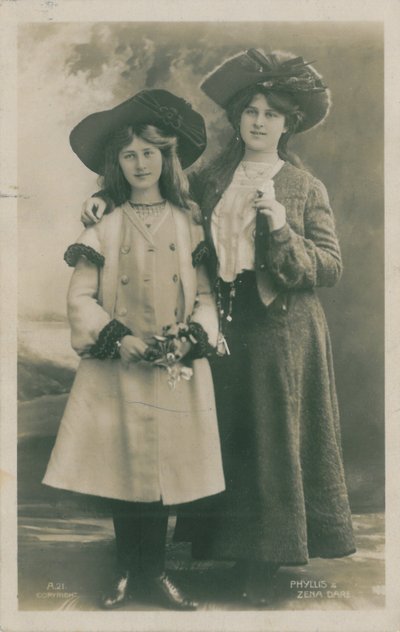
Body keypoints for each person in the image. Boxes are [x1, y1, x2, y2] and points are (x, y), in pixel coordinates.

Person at [80, 49, 356, 607]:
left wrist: (281, 230)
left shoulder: (304, 187)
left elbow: (329, 267)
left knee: (271, 444)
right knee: (226, 440)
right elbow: (157, 187)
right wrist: (102, 197)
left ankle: (266, 564)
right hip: (220, 323)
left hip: (283, 330)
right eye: (250, 110)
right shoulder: (210, 175)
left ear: (288, 124)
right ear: (237, 118)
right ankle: (222, 550)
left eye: (271, 114)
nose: (258, 121)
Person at [42, 88, 225, 611]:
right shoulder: (103, 224)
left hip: (173, 368)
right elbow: (80, 296)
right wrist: (117, 338)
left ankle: (157, 572)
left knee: (165, 473)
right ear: (116, 163)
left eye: (150, 152)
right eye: (129, 154)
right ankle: (125, 570)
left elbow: (209, 295)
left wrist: (192, 335)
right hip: (119, 364)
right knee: (123, 471)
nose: (141, 163)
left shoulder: (191, 222)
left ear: (167, 158)